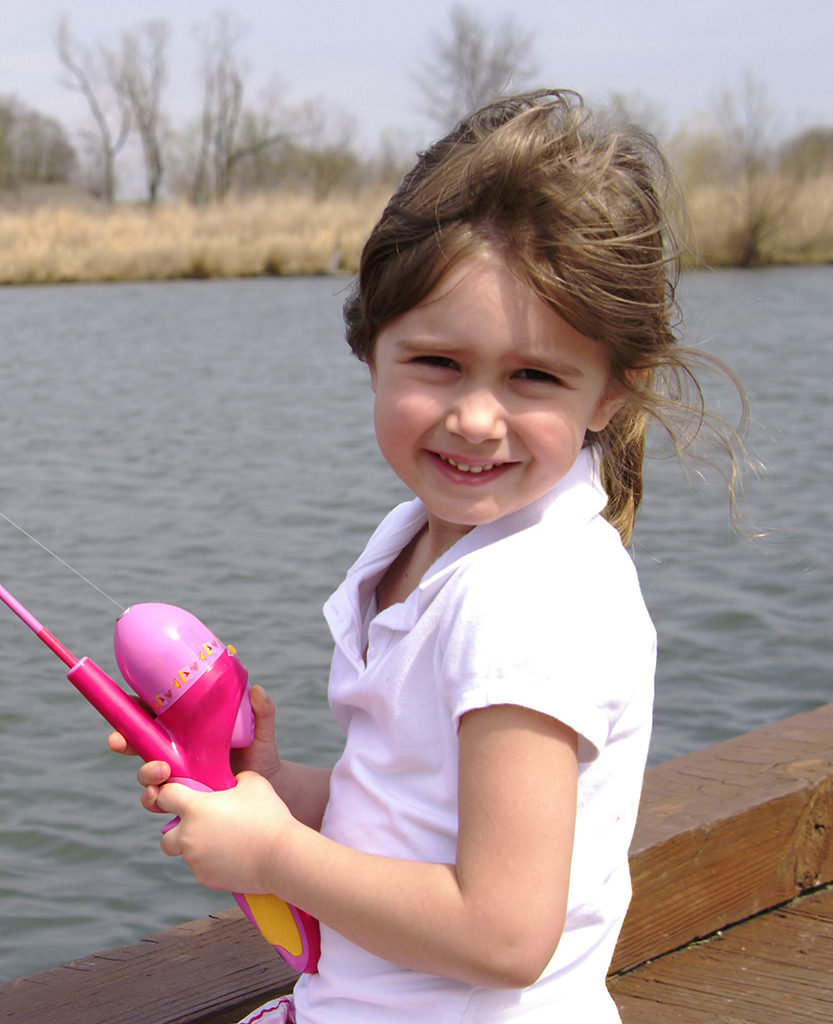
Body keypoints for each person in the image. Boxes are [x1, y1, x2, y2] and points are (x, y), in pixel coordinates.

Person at [110, 90, 745, 1022]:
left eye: (533, 376)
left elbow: (502, 935)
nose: (475, 418)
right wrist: (276, 792)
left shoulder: (525, 601)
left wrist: (273, 856)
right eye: (437, 363)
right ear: (372, 345)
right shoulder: (433, 546)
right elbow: (408, 815)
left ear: (611, 392)